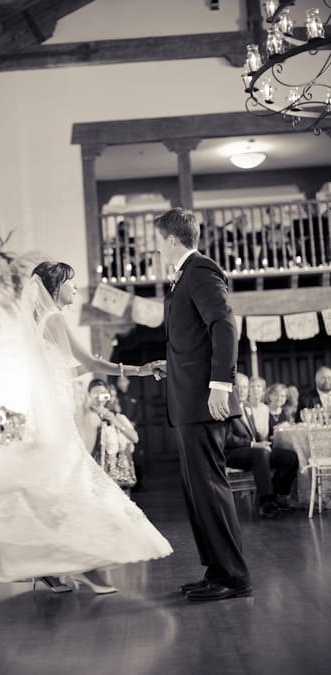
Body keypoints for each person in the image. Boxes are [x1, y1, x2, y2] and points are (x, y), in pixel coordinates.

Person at [0, 261, 172, 593]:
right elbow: (90, 364)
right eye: (70, 282)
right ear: (54, 287)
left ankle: (55, 567)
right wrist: (141, 369)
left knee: (54, 490)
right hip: (54, 419)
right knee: (72, 486)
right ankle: (81, 567)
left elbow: (68, 372)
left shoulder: (41, 324)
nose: (75, 288)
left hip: (53, 413)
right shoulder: (55, 319)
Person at [151, 207, 251, 602]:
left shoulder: (201, 272)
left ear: (172, 240)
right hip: (188, 398)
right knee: (198, 493)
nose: (157, 251)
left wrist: (220, 385)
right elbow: (193, 339)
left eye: (158, 243)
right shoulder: (183, 279)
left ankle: (235, 577)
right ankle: (216, 571)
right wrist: (170, 366)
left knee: (210, 488)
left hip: (205, 402)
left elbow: (225, 327)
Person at [225, 373, 298, 517]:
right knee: (260, 453)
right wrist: (254, 444)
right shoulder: (226, 407)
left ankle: (278, 496)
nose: (242, 390)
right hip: (233, 453)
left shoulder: (247, 408)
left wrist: (262, 442)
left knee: (290, 457)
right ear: (231, 388)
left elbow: (253, 434)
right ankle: (266, 503)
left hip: (253, 451)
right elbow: (228, 439)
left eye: (245, 387)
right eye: (238, 387)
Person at [77, 379, 138, 495]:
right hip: (97, 473)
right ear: (89, 395)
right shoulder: (86, 415)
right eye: (96, 392)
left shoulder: (115, 416)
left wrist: (115, 422)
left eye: (103, 392)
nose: (100, 395)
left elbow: (135, 438)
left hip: (118, 475)